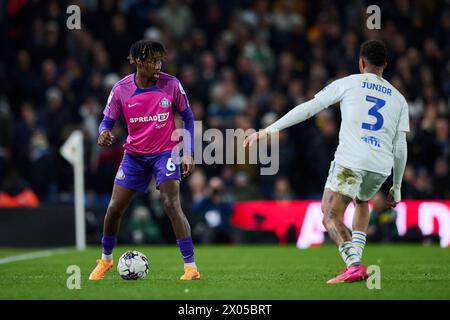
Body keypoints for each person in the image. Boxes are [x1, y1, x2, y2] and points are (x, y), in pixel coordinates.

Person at [244, 40, 409, 283]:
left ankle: (354, 265)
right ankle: (356, 260)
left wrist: (268, 130)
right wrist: (397, 186)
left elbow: (309, 109)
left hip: (352, 159)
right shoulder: (399, 99)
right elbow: (400, 146)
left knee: (329, 215)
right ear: (386, 64)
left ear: (361, 62)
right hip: (381, 165)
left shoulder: (348, 82)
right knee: (361, 201)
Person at [89, 40, 200, 281]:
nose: (157, 65)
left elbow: (188, 117)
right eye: (152, 61)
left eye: (159, 60)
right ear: (138, 62)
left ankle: (191, 267)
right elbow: (106, 122)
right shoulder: (121, 89)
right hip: (135, 156)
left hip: (165, 152)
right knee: (114, 208)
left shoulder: (171, 84)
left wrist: (188, 151)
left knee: (171, 204)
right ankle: (105, 260)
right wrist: (103, 132)